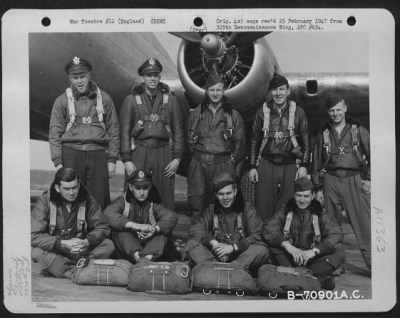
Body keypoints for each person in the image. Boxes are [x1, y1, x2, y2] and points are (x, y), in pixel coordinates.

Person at [49, 56, 120, 208]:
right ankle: (74, 230)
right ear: (70, 78)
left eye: (82, 76)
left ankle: (99, 230)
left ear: (89, 75)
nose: (79, 81)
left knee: (99, 199)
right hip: (72, 154)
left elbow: (113, 131)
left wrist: (112, 160)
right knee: (71, 197)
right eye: (75, 77)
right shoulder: (62, 101)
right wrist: (58, 163)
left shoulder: (105, 99)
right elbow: (55, 133)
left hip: (98, 154)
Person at [312, 94, 371, 270]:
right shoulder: (323, 134)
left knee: (364, 225)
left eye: (338, 109)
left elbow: (373, 154)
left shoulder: (357, 130)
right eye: (332, 110)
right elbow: (315, 163)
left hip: (354, 179)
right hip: (330, 180)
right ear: (328, 112)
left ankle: (376, 266)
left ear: (345, 109)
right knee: (332, 227)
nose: (335, 113)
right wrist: (318, 188)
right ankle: (336, 265)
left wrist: (369, 179)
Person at [119, 57, 184, 210]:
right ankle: (133, 228)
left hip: (163, 152)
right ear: (143, 77)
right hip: (140, 151)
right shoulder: (131, 100)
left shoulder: (171, 100)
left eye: (156, 75)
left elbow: (178, 131)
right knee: (136, 190)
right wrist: (127, 159)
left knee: (165, 193)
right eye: (149, 75)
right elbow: (124, 132)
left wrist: (177, 159)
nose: (153, 78)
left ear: (160, 76)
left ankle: (164, 231)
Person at [31, 168, 114, 279]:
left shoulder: (87, 199)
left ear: (79, 185)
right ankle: (78, 270)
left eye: (74, 188)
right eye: (66, 189)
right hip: (56, 249)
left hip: (80, 250)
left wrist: (87, 241)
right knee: (36, 252)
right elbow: (33, 236)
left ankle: (70, 267)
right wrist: (62, 244)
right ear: (57, 188)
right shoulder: (45, 201)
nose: (71, 193)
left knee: (108, 245)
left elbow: (103, 227)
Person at [249, 73, 310, 221]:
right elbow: (254, 140)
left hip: (291, 163)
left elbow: (306, 141)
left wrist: (304, 165)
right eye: (275, 90)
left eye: (282, 89)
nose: (278, 93)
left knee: (289, 202)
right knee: (263, 202)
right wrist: (252, 166)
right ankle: (263, 237)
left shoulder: (298, 112)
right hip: (266, 161)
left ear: (288, 91)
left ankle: (285, 234)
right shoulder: (262, 112)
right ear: (271, 92)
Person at [263, 177, 345, 285]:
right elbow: (268, 228)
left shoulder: (320, 213)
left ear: (312, 196)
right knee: (271, 247)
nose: (302, 200)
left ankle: (295, 274)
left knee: (339, 252)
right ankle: (314, 278)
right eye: (299, 195)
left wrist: (315, 251)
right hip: (291, 256)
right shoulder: (286, 210)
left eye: (306, 196)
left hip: (313, 257)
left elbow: (336, 234)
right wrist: (287, 246)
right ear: (294, 195)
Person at [186, 172, 269, 275]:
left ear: (235, 192)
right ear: (216, 195)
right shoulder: (211, 210)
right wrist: (214, 244)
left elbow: (257, 234)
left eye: (228, 193)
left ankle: (231, 270)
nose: (225, 198)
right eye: (221, 194)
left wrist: (233, 247)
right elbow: (196, 230)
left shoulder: (247, 209)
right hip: (216, 256)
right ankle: (217, 269)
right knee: (191, 245)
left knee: (261, 250)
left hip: (240, 256)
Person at [186, 74, 246, 215]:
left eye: (218, 90)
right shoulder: (196, 114)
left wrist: (232, 165)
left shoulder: (233, 116)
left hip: (223, 164)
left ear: (224, 91)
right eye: (212, 90)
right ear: (206, 91)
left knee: (222, 204)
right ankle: (197, 235)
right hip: (199, 164)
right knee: (197, 201)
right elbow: (189, 139)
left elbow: (240, 144)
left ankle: (221, 235)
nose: (215, 94)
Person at [104, 169, 178, 264]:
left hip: (149, 246)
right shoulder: (123, 201)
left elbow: (171, 217)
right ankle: (138, 257)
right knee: (119, 231)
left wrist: (154, 229)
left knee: (163, 233)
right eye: (138, 188)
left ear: (150, 187)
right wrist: (134, 225)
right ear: (131, 187)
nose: (142, 192)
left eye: (145, 188)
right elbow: (108, 214)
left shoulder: (153, 203)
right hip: (129, 249)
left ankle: (146, 259)